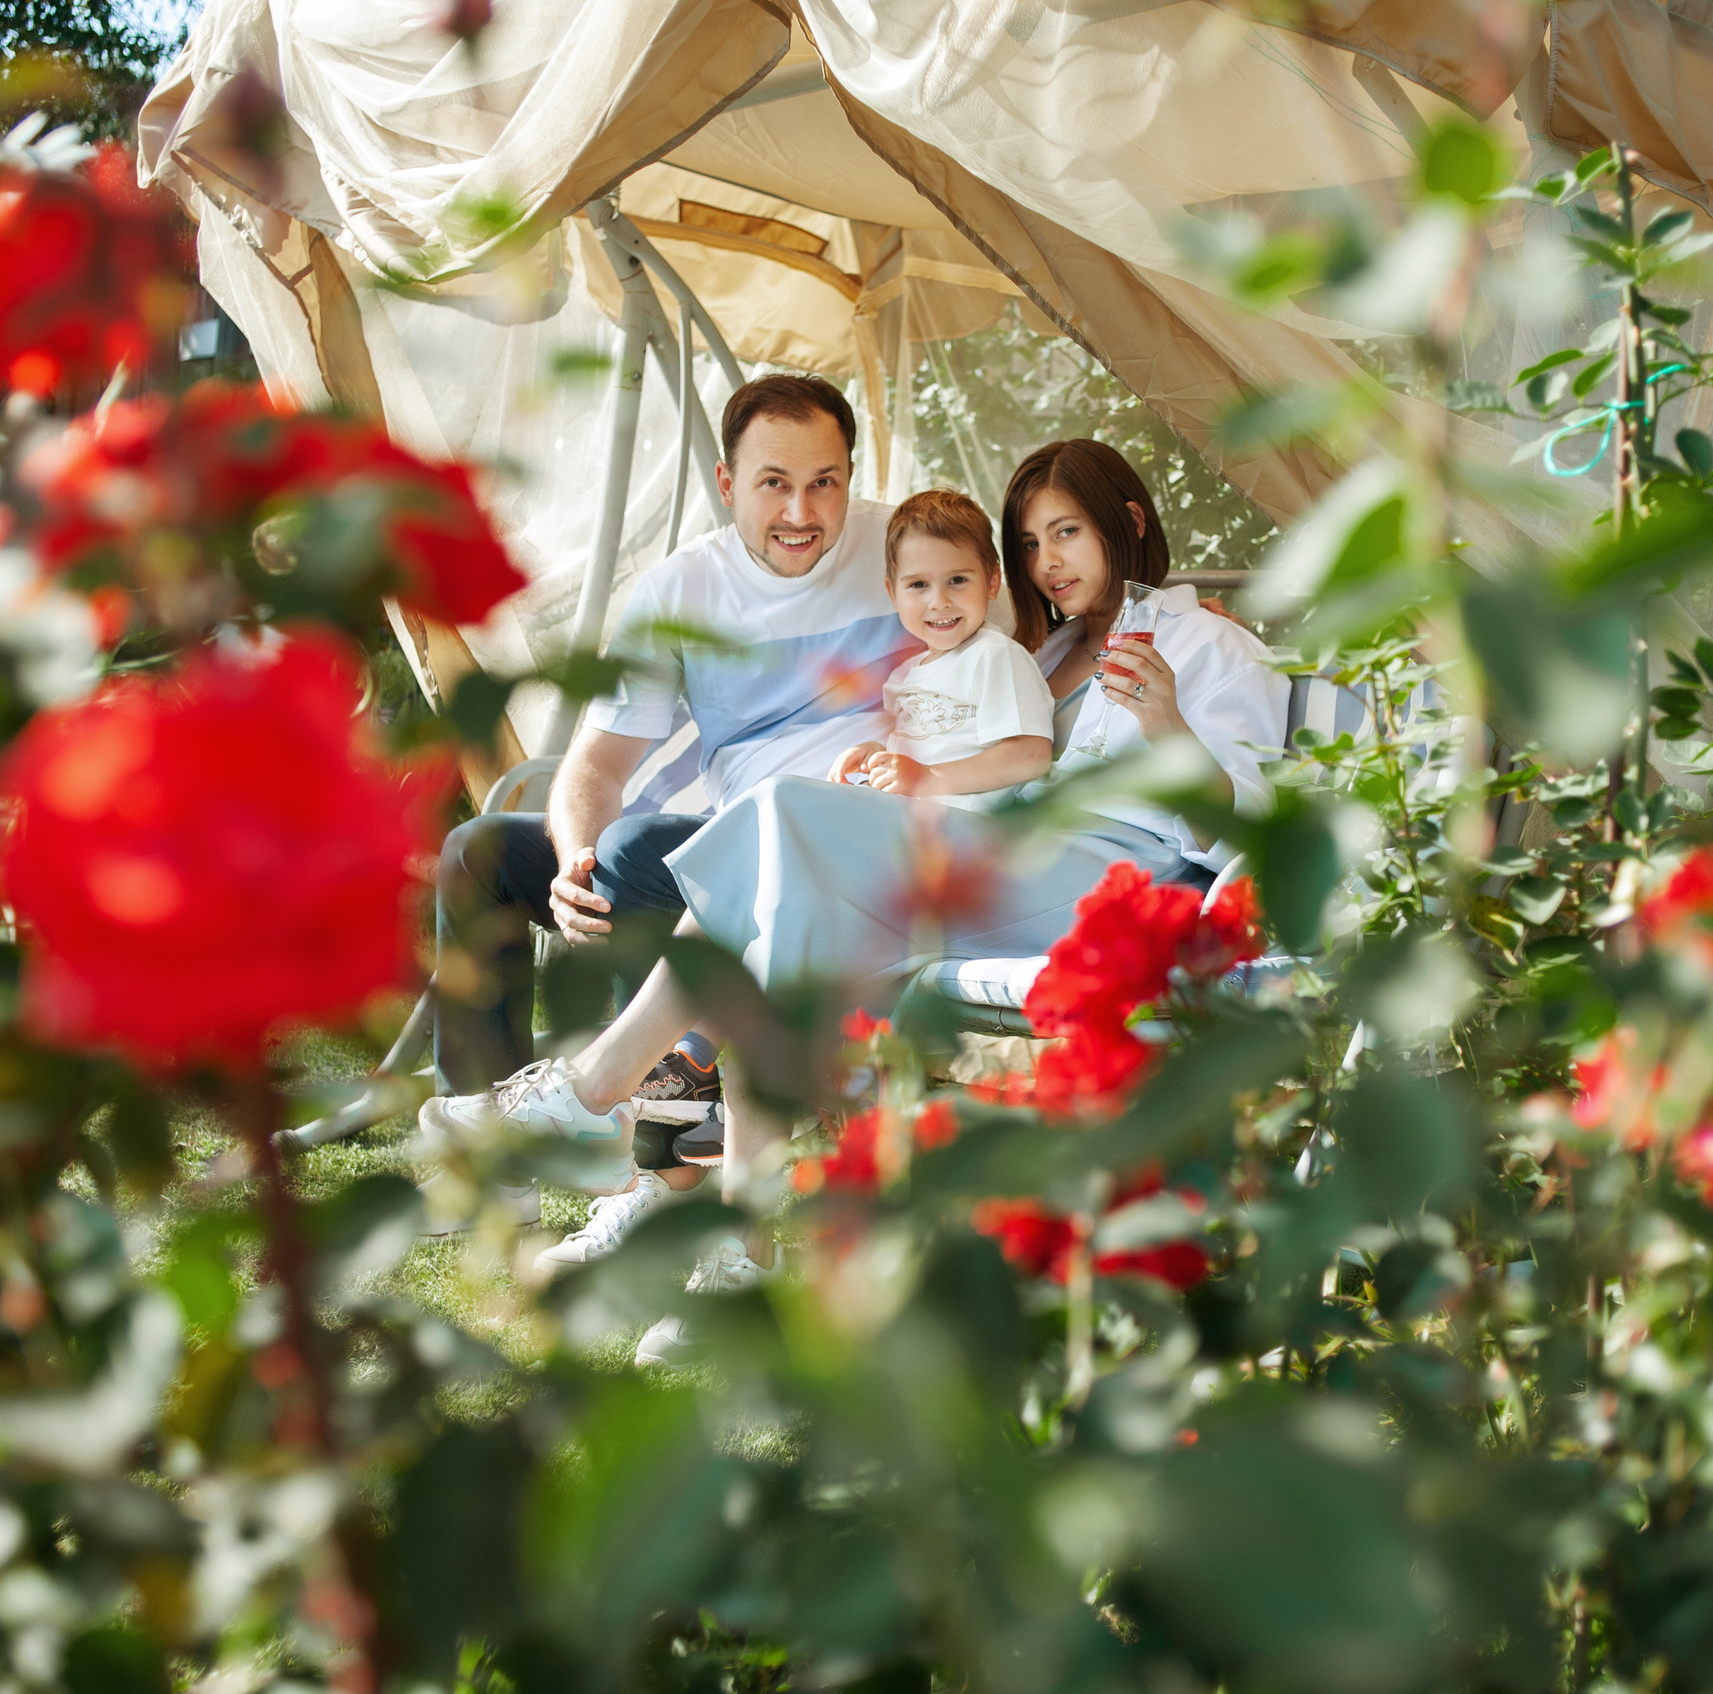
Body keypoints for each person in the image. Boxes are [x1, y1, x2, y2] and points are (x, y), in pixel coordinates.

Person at [440, 437, 1302, 1364]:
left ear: (1129, 524)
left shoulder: (1208, 642)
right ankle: (741, 1243)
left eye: (1070, 532)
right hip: (999, 861)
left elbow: (1255, 834)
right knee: (784, 887)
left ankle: (600, 1091)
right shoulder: (1044, 649)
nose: (1050, 561)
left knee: (781, 820)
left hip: (1105, 880)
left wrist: (1170, 728)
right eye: (1033, 541)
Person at [424, 373, 913, 1246]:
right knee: (480, 853)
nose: (802, 510)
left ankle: (647, 1147)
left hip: (845, 852)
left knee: (640, 848)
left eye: (826, 481)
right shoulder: (679, 594)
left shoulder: (904, 553)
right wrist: (573, 863)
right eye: (774, 483)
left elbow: (1017, 640)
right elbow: (594, 766)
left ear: (852, 473)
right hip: (729, 848)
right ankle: (501, 1162)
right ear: (726, 485)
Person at [826, 489, 1053, 811]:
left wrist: (928, 776)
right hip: (910, 821)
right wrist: (877, 756)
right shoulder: (903, 675)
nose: (939, 602)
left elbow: (1030, 755)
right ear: (893, 593)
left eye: (957, 579)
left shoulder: (994, 656)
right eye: (918, 585)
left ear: (991, 582)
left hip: (969, 826)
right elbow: (922, 748)